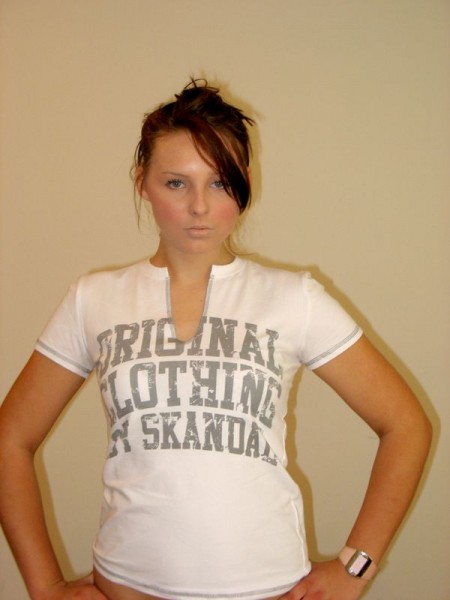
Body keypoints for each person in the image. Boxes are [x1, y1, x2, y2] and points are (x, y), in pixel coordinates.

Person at [0, 79, 432, 600]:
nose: (200, 207)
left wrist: (354, 567)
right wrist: (45, 587)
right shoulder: (93, 299)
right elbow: (10, 438)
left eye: (220, 182)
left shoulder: (294, 297)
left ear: (244, 181)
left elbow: (406, 425)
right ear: (143, 183)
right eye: (176, 183)